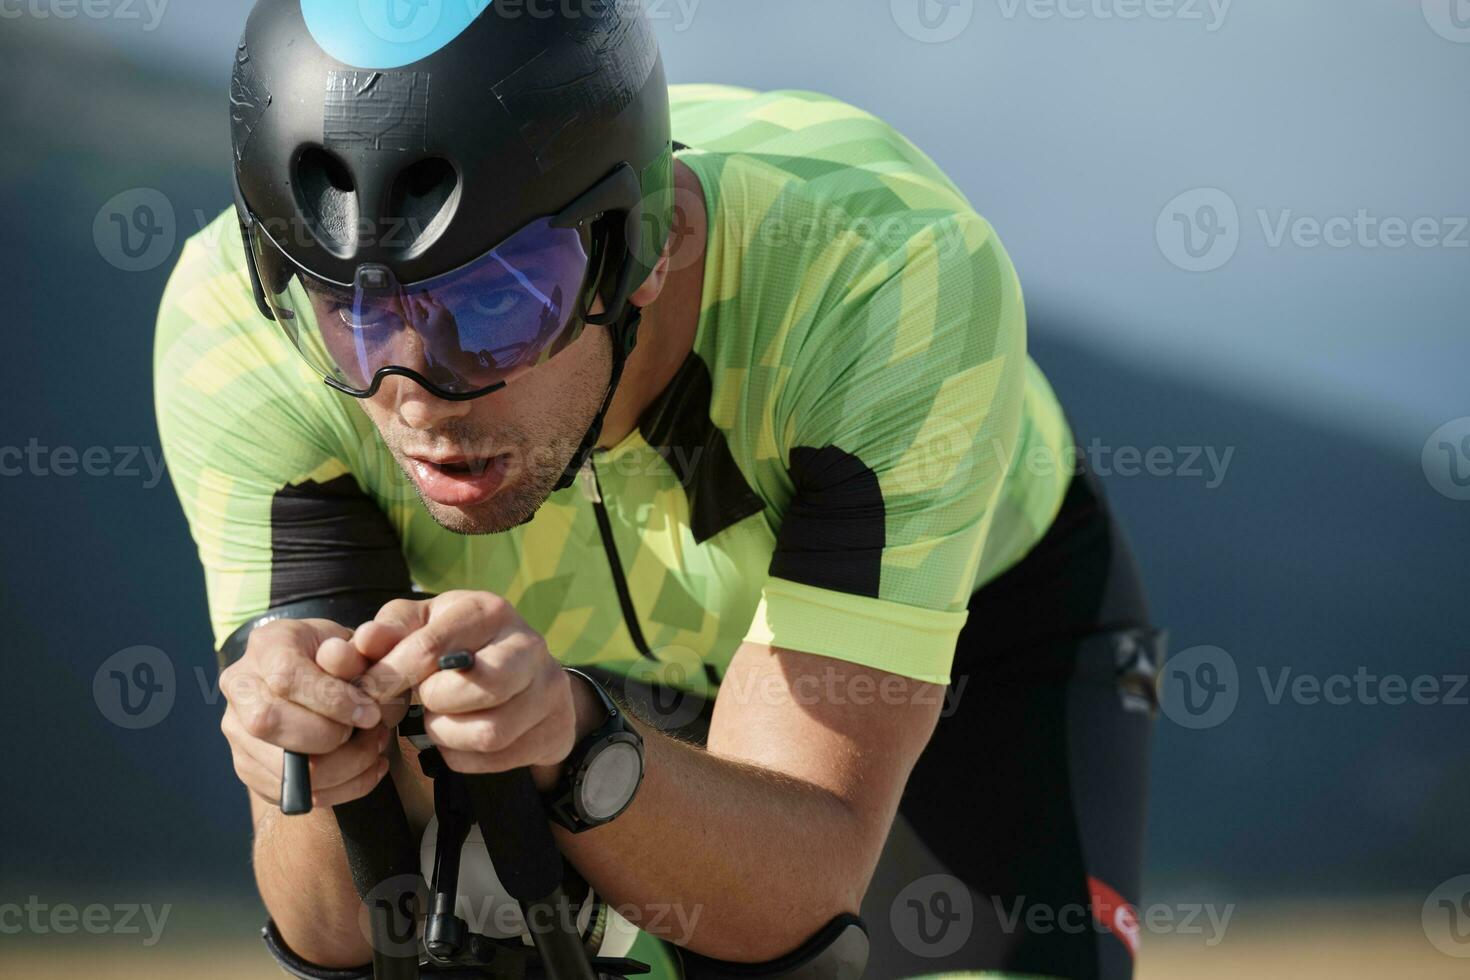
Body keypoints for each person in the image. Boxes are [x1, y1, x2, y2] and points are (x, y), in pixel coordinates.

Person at [155, 2, 1163, 977]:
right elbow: (334, 929)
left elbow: (801, 888)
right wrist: (311, 757)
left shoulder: (885, 285)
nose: (416, 395)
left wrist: (579, 745)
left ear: (647, 244)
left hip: (977, 652)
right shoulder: (236, 333)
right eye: (353, 312)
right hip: (556, 689)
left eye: (497, 303)